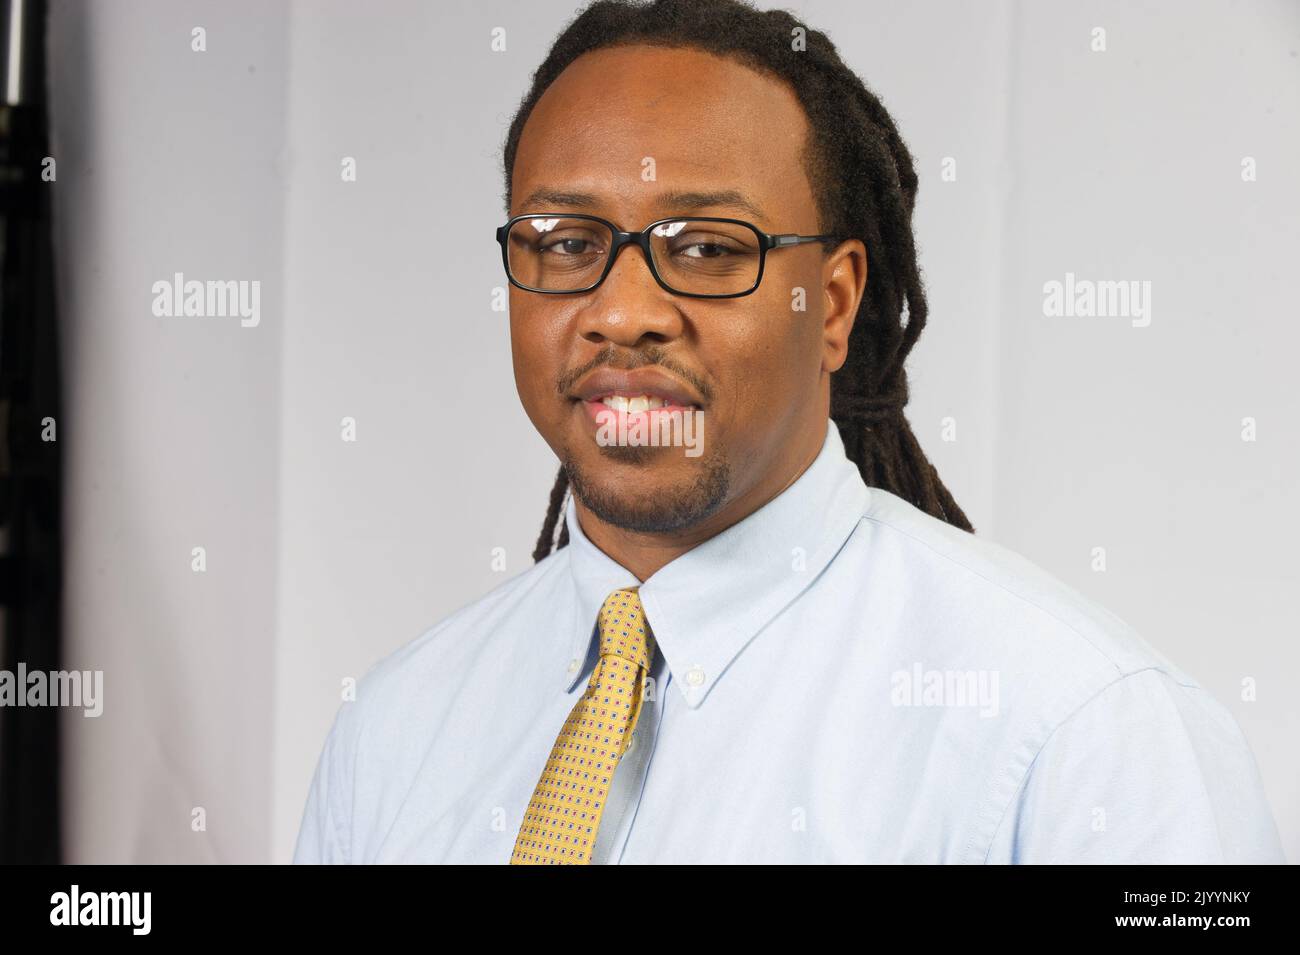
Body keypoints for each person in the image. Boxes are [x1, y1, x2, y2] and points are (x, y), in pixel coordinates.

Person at [293, 0, 1285, 864]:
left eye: (709, 248)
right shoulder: (393, 728)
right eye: (565, 243)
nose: (622, 309)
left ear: (838, 302)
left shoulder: (1085, 734)